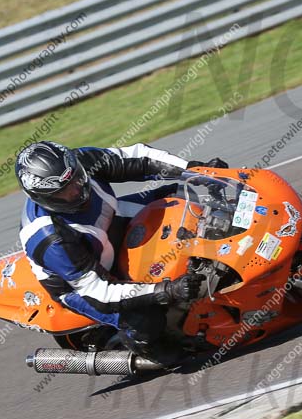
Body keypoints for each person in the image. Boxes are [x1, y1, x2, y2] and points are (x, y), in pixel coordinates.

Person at [15, 140, 226, 361]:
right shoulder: (50, 238)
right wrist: (167, 290)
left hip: (113, 220)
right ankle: (149, 350)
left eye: (77, 178)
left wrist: (196, 169)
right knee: (147, 320)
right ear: (43, 198)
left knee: (183, 194)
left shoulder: (79, 162)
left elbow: (137, 158)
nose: (77, 190)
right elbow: (98, 292)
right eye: (64, 192)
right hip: (84, 283)